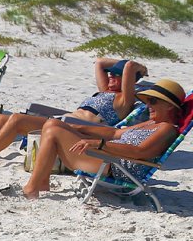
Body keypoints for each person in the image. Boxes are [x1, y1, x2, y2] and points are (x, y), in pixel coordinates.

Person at [0, 57, 149, 166]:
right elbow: (99, 62)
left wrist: (141, 69)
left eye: (117, 75)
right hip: (63, 120)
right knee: (3, 118)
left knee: (17, 120)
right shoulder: (104, 91)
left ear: (128, 80)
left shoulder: (124, 100)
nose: (111, 77)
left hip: (76, 129)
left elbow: (131, 66)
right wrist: (114, 68)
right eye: (110, 74)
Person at [22, 79, 186, 199]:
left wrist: (99, 144)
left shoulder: (166, 129)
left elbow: (139, 151)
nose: (148, 105)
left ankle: (32, 187)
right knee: (53, 124)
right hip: (107, 157)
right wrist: (78, 128)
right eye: (147, 101)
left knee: (53, 131)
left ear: (170, 105)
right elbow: (115, 134)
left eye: (153, 101)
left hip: (115, 167)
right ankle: (41, 182)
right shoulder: (151, 123)